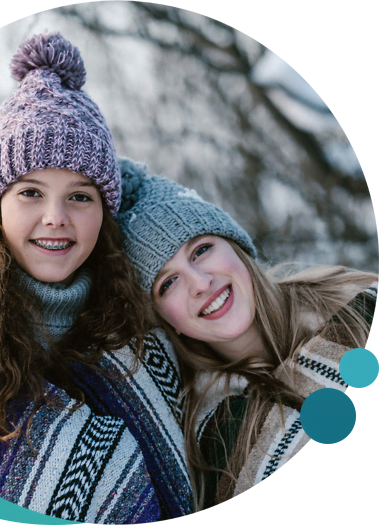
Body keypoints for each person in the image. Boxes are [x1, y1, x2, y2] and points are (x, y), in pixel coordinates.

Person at [0, 34, 194, 524]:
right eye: (31, 192)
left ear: (104, 213)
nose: (56, 217)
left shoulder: (141, 339)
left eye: (80, 196)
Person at [116, 158, 379, 513]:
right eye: (168, 283)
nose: (199, 283)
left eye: (201, 250)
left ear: (236, 246)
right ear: (164, 319)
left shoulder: (358, 305)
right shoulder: (217, 443)